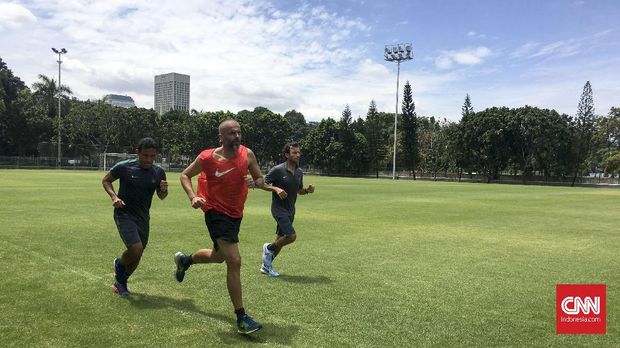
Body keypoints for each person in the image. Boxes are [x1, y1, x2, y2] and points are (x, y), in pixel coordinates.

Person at [174, 119, 264, 335]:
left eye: (239, 132)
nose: (236, 136)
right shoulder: (207, 157)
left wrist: (255, 181)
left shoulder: (247, 154)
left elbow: (260, 178)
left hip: (236, 213)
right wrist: (193, 196)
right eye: (231, 133)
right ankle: (241, 317)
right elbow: (185, 175)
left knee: (219, 256)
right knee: (234, 260)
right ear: (221, 137)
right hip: (215, 211)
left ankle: (185, 260)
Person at [102, 137, 168, 297]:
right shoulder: (124, 167)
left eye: (152, 156)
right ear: (137, 153)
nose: (149, 160)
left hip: (143, 216)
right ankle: (119, 264)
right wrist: (114, 197)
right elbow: (106, 180)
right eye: (145, 156)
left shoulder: (158, 171)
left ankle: (121, 282)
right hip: (124, 213)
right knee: (136, 248)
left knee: (138, 252)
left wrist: (164, 190)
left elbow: (161, 196)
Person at [260, 142, 314, 277]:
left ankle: (266, 266)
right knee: (291, 236)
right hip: (278, 209)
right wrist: (276, 188)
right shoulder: (278, 170)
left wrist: (307, 190)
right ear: (286, 155)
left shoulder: (299, 172)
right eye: (294, 152)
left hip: (291, 210)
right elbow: (263, 184)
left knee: (281, 240)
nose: (297, 155)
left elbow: (298, 190)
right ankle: (268, 248)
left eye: (298, 152)